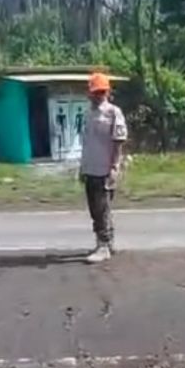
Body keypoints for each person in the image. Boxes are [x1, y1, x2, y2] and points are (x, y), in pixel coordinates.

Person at [79, 72, 128, 264]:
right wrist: (82, 167)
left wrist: (115, 167)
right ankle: (106, 241)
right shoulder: (88, 114)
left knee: (102, 208)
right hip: (90, 167)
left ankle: (104, 245)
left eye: (101, 92)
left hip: (105, 168)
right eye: (95, 92)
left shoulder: (113, 112)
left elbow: (118, 141)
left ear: (107, 92)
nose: (98, 95)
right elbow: (87, 143)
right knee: (94, 209)